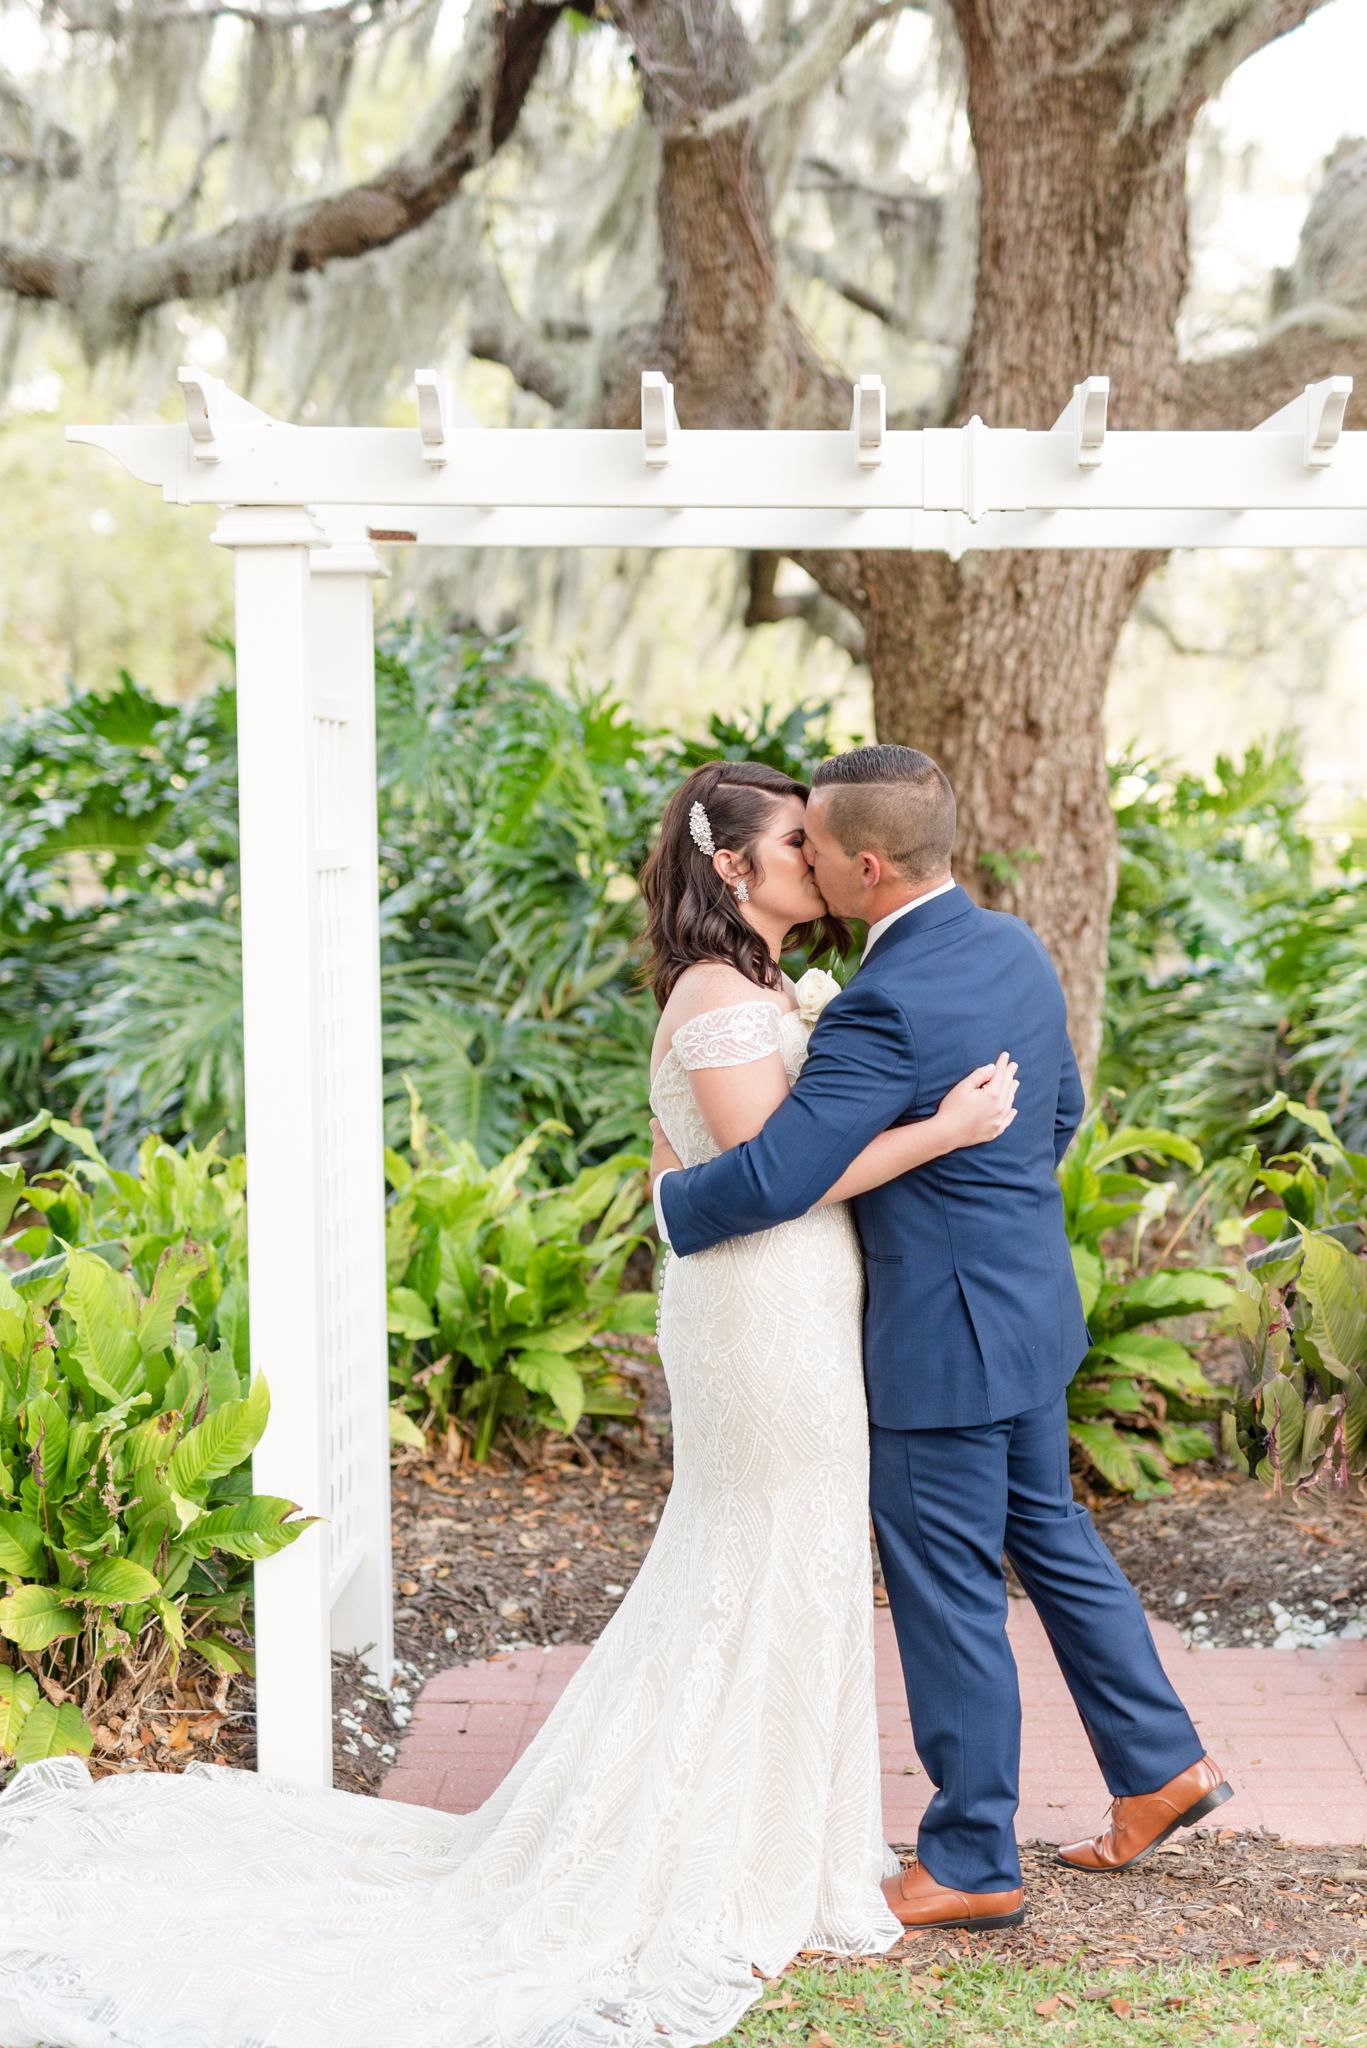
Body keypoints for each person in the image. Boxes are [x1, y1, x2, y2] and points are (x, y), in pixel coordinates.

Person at [0, 759, 1018, 2048]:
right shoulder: (715, 994)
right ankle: (697, 1847)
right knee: (759, 1548)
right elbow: (768, 1176)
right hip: (761, 1311)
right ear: (731, 866)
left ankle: (779, 1830)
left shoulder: (768, 985)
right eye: (797, 841)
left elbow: (716, 1158)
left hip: (806, 1297)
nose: (820, 859)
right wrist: (947, 1129)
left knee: (797, 1554)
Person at [651, 744, 1232, 1938]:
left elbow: (774, 1176)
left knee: (950, 1587)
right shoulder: (1012, 945)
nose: (801, 854)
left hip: (938, 1335)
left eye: (812, 841)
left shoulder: (879, 1003)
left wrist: (669, 1206)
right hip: (1026, 1309)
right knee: (1052, 1540)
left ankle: (968, 1854)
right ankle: (1159, 1765)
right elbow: (1058, 1109)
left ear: (864, 864)